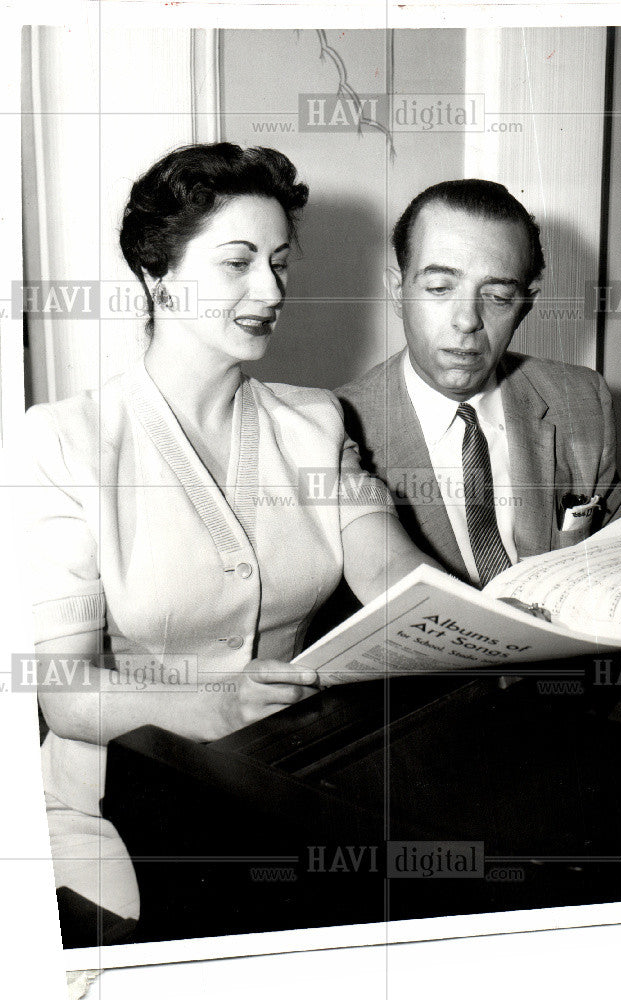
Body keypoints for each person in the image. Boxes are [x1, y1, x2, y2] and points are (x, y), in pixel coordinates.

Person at [20, 143, 437, 946]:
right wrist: (204, 702)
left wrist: (497, 613)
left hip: (286, 777)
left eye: (280, 263)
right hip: (114, 796)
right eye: (238, 262)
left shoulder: (315, 422)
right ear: (156, 272)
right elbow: (64, 689)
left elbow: (389, 564)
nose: (271, 290)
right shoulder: (63, 444)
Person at [337, 179, 621, 589]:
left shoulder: (582, 400)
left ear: (525, 306)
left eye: (496, 296)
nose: (467, 320)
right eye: (439, 288)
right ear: (397, 292)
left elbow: (615, 565)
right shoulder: (335, 429)